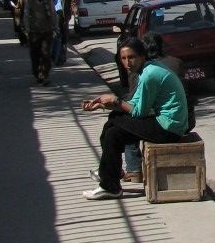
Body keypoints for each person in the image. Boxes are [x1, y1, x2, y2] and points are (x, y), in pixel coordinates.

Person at [81, 37, 189, 199]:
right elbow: (134, 103)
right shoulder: (147, 70)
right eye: (123, 58)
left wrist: (115, 101)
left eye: (131, 57)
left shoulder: (149, 75)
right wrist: (102, 105)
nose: (127, 63)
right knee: (114, 132)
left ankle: (109, 179)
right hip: (164, 123)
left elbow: (139, 111)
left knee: (115, 122)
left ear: (142, 57)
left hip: (169, 128)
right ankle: (110, 176)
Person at [21, 0, 57, 84]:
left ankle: (44, 75)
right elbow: (26, 16)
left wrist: (55, 28)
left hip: (47, 31)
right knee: (35, 55)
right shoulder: (29, 1)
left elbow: (54, 14)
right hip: (34, 32)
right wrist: (27, 30)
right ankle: (37, 73)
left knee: (46, 54)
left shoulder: (48, 0)